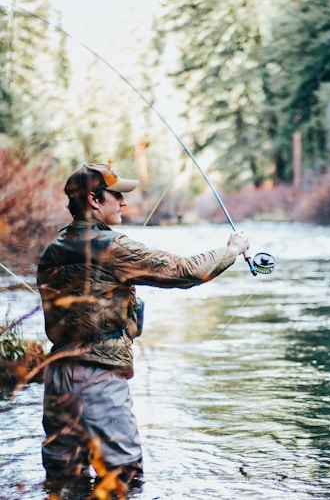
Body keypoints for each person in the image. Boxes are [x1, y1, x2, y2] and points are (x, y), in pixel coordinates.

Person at [37, 163, 250, 490]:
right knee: (123, 481)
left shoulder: (52, 251)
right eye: (117, 195)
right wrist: (231, 251)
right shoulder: (114, 247)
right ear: (94, 199)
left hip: (57, 379)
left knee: (63, 485)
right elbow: (185, 271)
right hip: (99, 378)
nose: (123, 202)